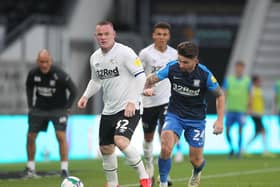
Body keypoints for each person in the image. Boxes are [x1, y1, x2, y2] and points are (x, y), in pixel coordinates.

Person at [77, 21, 151, 187]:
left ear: (113, 35)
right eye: (100, 34)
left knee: (121, 141)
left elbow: (141, 77)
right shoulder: (94, 58)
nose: (103, 37)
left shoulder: (126, 53)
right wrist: (85, 96)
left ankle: (145, 178)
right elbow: (96, 81)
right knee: (106, 149)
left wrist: (132, 101)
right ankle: (113, 184)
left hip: (129, 108)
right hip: (108, 110)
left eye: (106, 34)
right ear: (96, 36)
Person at [143, 41, 225, 187]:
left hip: (196, 120)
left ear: (195, 61)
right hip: (174, 115)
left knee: (196, 160)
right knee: (166, 146)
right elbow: (151, 79)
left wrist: (220, 120)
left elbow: (220, 95)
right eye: (179, 60)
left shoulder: (205, 75)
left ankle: (196, 172)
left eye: (185, 62)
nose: (180, 65)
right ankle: (163, 182)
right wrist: (147, 88)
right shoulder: (172, 68)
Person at [24, 49, 77, 178]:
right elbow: (29, 87)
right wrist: (31, 106)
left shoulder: (59, 74)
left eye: (46, 62)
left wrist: (68, 107)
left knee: (61, 136)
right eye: (41, 62)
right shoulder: (33, 74)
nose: (44, 65)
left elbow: (74, 90)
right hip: (39, 109)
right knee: (30, 136)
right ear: (37, 61)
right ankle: (30, 169)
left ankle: (64, 169)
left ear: (50, 61)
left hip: (58, 109)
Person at [139, 22, 177, 186]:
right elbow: (138, 75)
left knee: (165, 139)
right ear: (153, 35)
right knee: (148, 138)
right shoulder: (145, 54)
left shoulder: (175, 54)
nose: (161, 37)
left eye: (165, 34)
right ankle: (149, 167)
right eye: (159, 34)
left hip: (167, 101)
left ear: (168, 36)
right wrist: (143, 90)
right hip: (148, 102)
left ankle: (164, 175)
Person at [222, 61, 252, 158]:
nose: (239, 69)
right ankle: (231, 148)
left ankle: (239, 151)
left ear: (243, 69)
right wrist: (222, 107)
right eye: (237, 67)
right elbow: (224, 93)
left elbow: (250, 95)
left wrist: (249, 108)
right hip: (230, 109)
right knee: (227, 131)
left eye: (241, 68)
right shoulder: (229, 80)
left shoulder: (247, 81)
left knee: (240, 130)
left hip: (241, 110)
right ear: (235, 68)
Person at [246, 75, 268, 154]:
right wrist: (249, 110)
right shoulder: (252, 89)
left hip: (259, 113)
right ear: (255, 81)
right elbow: (250, 100)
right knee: (263, 131)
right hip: (254, 113)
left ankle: (244, 149)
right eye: (259, 81)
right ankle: (265, 151)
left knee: (257, 132)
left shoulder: (259, 89)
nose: (260, 82)